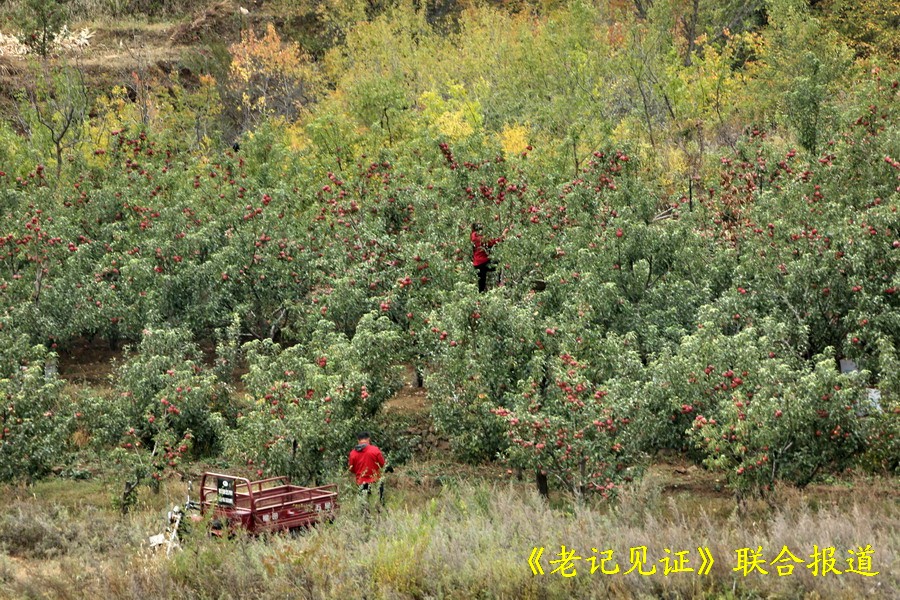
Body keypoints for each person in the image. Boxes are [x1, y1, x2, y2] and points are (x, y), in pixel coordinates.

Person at [348, 431, 386, 509]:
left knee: (364, 506)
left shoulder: (353, 453)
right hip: (376, 481)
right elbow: (382, 464)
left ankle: (366, 520)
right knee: (379, 504)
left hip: (361, 482)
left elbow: (351, 469)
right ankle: (381, 518)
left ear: (358, 440)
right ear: (368, 439)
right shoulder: (375, 450)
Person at [471, 223, 507, 292]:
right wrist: (504, 233)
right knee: (499, 265)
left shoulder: (473, 236)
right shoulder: (482, 239)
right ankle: (500, 283)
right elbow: (494, 242)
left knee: (481, 282)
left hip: (476, 263)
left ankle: (480, 296)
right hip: (483, 262)